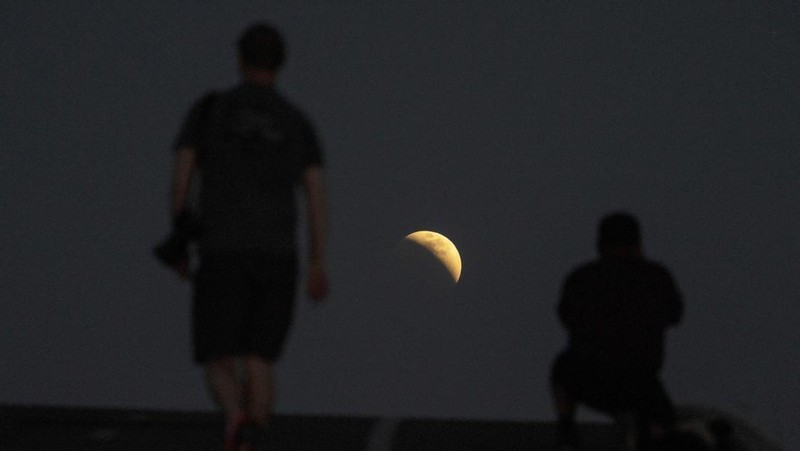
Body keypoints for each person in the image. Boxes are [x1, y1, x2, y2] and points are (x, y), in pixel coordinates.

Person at [169, 23, 328, 451]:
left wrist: (180, 240)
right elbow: (316, 196)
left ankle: (236, 416)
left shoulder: (209, 111)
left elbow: (183, 177)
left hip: (221, 250)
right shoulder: (296, 122)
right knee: (260, 358)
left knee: (219, 357)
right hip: (277, 256)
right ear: (280, 63)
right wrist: (317, 261)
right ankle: (253, 432)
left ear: (240, 59)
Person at [551, 212, 683, 451]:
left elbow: (566, 317)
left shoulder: (582, 278)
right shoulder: (656, 277)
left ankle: (567, 429)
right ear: (637, 243)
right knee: (665, 427)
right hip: (641, 383)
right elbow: (675, 315)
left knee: (562, 369)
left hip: (590, 377)